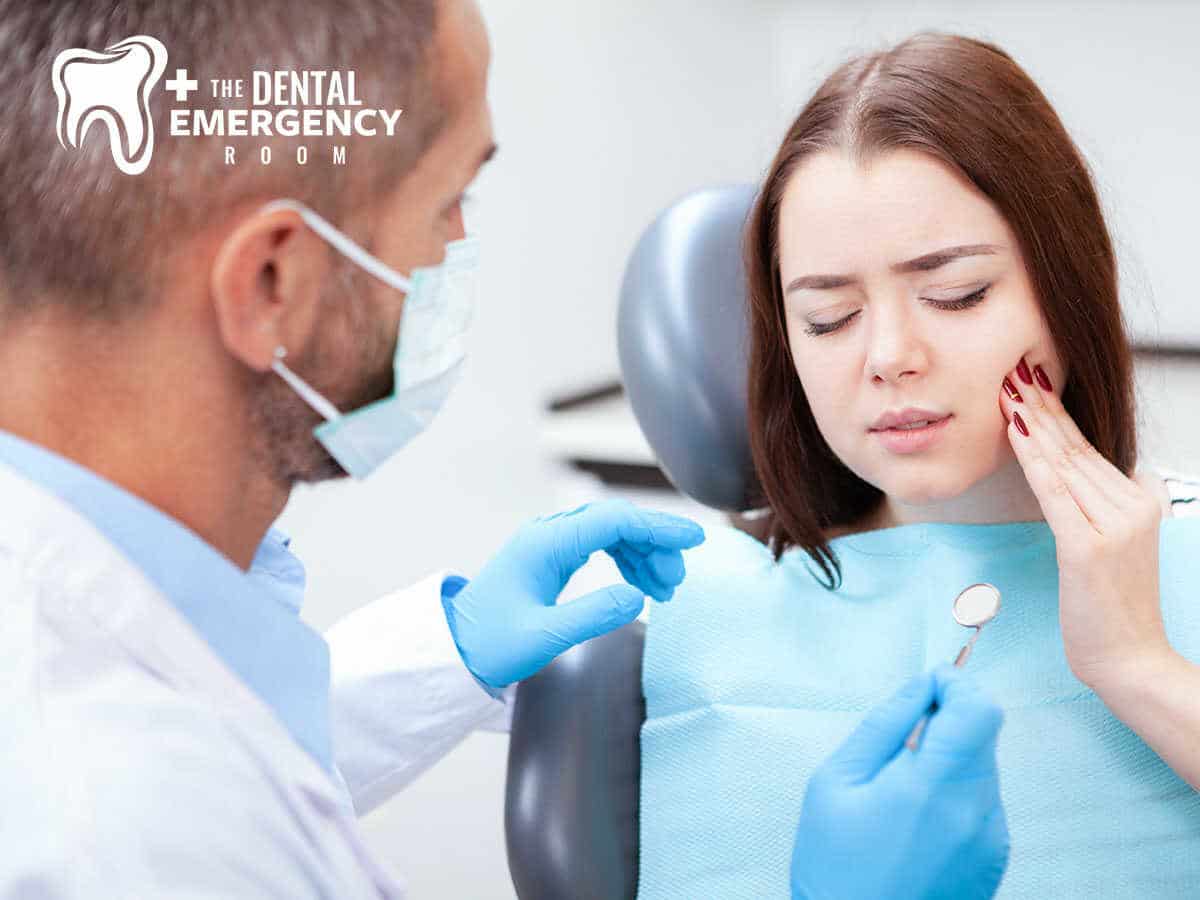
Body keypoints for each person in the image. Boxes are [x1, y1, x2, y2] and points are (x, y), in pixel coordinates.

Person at [0, 4, 1011, 898]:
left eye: (958, 293)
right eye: (450, 204)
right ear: (275, 283)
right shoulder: (109, 829)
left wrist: (448, 651)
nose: (892, 356)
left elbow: (245, 747)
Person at [636, 29, 1200, 900]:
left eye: (956, 294)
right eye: (828, 317)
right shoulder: (681, 610)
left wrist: (1138, 664)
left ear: (1067, 285)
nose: (890, 356)